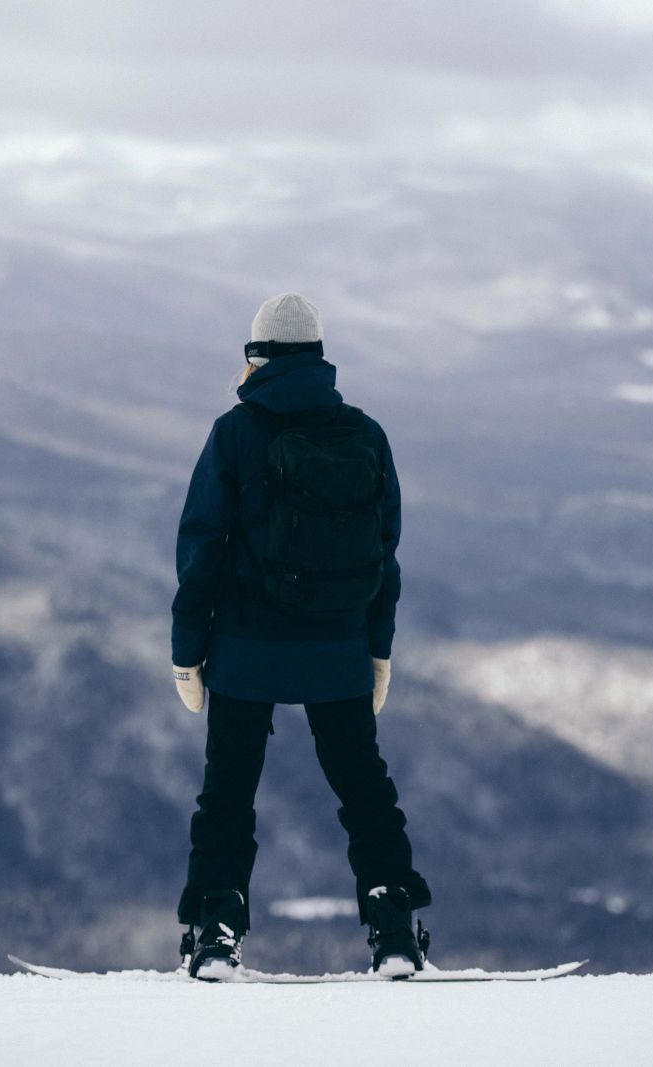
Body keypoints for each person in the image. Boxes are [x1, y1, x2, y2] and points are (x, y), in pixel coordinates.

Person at [170, 291, 433, 981]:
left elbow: (201, 548)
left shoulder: (234, 433)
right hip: (338, 652)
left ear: (255, 357)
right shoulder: (365, 434)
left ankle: (215, 933)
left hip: (245, 654)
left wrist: (186, 651)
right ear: (320, 359)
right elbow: (385, 554)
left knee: (227, 792)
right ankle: (394, 925)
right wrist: (378, 648)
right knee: (364, 790)